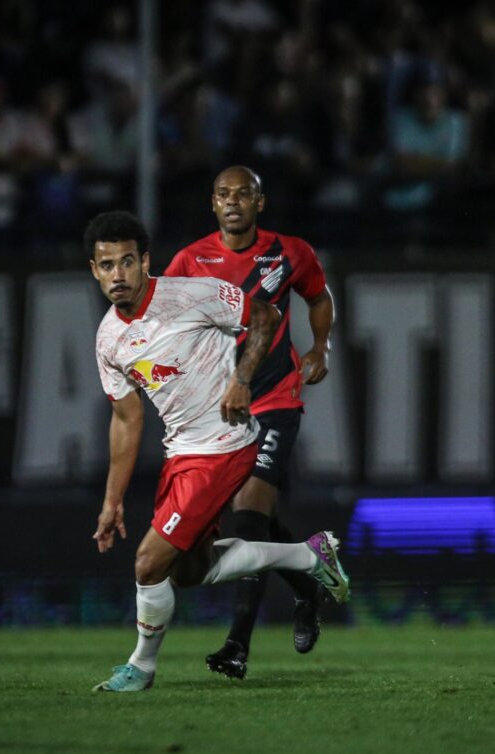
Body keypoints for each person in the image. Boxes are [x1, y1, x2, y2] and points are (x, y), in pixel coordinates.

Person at [87, 210, 349, 692]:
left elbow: (266, 316)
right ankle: (309, 557)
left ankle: (141, 668)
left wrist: (241, 380)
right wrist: (112, 500)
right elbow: (126, 420)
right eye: (107, 265)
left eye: (127, 262)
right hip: (181, 453)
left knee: (148, 562)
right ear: (94, 270)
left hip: (225, 444)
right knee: (189, 571)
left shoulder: (192, 293)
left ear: (145, 262)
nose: (117, 275)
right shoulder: (109, 339)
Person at [163, 165, 335, 679]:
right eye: (223, 194)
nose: (233, 201)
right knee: (254, 521)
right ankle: (308, 583)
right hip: (218, 407)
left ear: (260, 203)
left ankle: (237, 646)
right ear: (212, 204)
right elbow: (167, 322)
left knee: (249, 512)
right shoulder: (190, 261)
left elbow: (319, 298)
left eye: (243, 194)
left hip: (275, 398)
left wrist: (319, 346)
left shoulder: (290, 252)